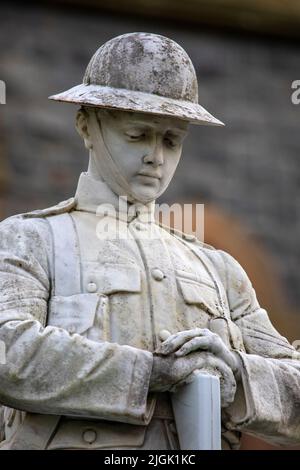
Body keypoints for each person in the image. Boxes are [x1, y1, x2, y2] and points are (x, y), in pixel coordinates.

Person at [0, 32, 299, 450]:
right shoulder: (29, 239)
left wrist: (237, 375)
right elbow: (8, 353)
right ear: (86, 125)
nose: (156, 157)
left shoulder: (219, 270)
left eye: (171, 140)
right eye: (138, 135)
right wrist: (148, 372)